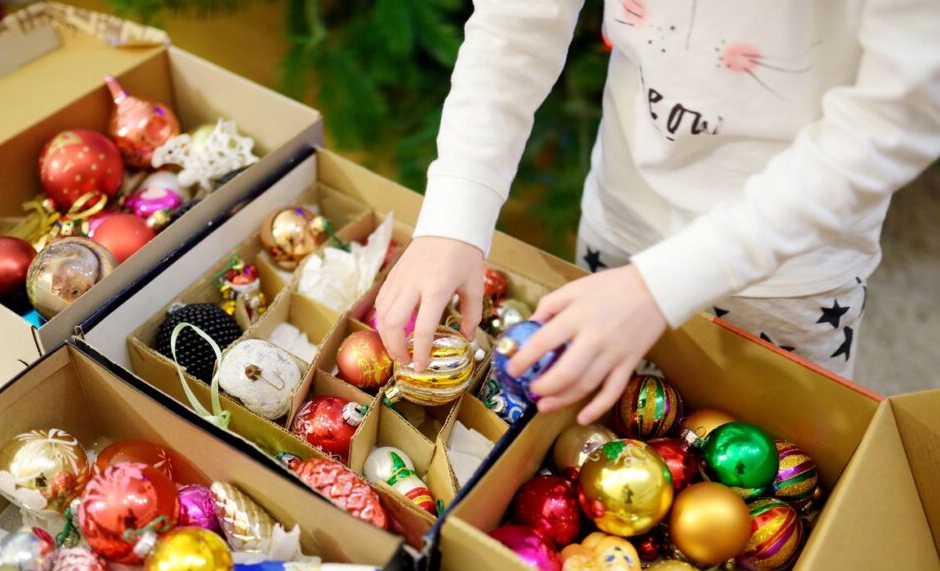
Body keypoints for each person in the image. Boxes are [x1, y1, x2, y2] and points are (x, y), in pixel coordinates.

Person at [375, 0, 940, 425]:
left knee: (792, 440)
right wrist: (457, 209)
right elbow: (517, 24)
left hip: (789, 272)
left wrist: (662, 286)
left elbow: (895, 121)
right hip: (622, 218)